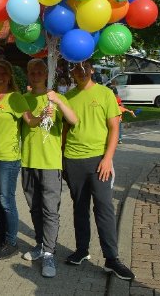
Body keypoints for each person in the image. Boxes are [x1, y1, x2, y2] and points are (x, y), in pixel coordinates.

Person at [62, 60, 134, 281]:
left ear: (92, 69)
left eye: (84, 67)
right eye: (75, 67)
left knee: (104, 208)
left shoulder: (105, 94)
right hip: (72, 160)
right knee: (79, 207)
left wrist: (108, 158)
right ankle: (82, 250)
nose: (80, 71)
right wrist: (61, 156)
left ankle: (111, 259)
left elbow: (114, 128)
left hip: (98, 162)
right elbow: (65, 129)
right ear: (71, 71)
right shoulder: (68, 97)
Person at [20, 59, 78, 278]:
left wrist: (59, 102)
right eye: (32, 71)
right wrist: (41, 115)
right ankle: (39, 244)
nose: (35, 75)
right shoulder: (23, 99)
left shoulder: (57, 97)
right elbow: (29, 121)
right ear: (28, 74)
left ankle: (49, 253)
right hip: (28, 161)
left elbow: (74, 120)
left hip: (51, 163)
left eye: (39, 71)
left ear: (46, 74)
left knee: (50, 210)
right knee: (34, 207)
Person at [0, 59, 46, 260]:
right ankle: (0, 237)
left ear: (10, 76)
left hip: (8, 158)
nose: (0, 76)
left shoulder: (16, 98)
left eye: (4, 73)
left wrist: (43, 115)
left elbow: (30, 121)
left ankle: (12, 242)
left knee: (6, 200)